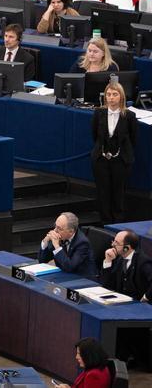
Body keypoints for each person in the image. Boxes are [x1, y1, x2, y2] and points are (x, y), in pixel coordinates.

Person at [92, 81, 137, 223]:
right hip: (101, 159)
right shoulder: (99, 113)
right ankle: (105, 221)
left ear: (121, 97)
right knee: (103, 192)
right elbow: (95, 135)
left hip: (121, 160)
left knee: (119, 192)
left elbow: (133, 139)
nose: (111, 97)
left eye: (115, 94)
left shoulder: (129, 116)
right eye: (109, 94)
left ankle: (118, 222)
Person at [38, 212, 97, 278]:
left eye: (59, 228)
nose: (55, 231)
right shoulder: (60, 236)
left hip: (82, 279)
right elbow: (42, 261)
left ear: (71, 231)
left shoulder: (82, 243)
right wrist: (45, 242)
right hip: (65, 275)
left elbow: (70, 267)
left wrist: (57, 246)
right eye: (55, 226)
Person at [100, 231, 152, 302]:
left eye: (117, 243)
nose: (112, 244)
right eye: (114, 241)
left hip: (138, 304)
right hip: (120, 301)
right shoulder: (117, 258)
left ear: (126, 248)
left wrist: (146, 297)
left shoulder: (143, 262)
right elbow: (107, 285)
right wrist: (108, 261)